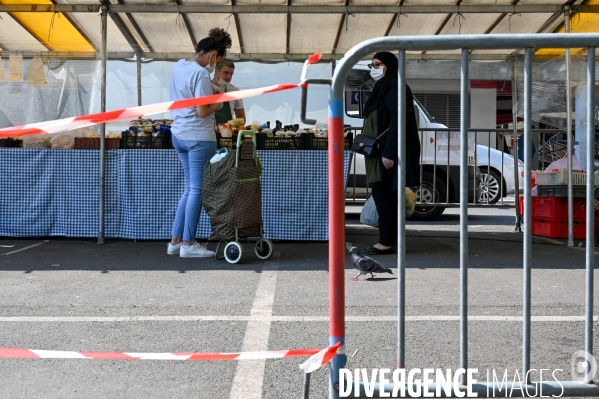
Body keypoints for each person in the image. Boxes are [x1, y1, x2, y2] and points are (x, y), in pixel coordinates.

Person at [167, 28, 232, 258]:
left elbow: (190, 95)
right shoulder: (202, 73)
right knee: (196, 190)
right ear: (213, 55)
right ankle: (188, 243)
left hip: (179, 134)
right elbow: (203, 110)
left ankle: (175, 241)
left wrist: (215, 90)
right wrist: (221, 102)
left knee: (189, 189)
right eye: (218, 61)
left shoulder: (180, 65)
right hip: (199, 136)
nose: (215, 66)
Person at [362, 51, 420, 255]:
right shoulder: (385, 85)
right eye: (372, 65)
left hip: (386, 150)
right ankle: (390, 239)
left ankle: (386, 241)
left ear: (389, 65)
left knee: (382, 192)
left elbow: (398, 119)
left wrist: (389, 152)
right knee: (386, 193)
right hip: (381, 149)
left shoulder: (394, 85)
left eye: (378, 64)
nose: (374, 68)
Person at [211, 58, 246, 124]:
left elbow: (241, 116)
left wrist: (234, 126)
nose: (229, 77)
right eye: (226, 73)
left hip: (228, 132)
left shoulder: (235, 91)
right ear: (216, 71)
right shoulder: (205, 88)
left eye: (231, 74)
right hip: (208, 130)